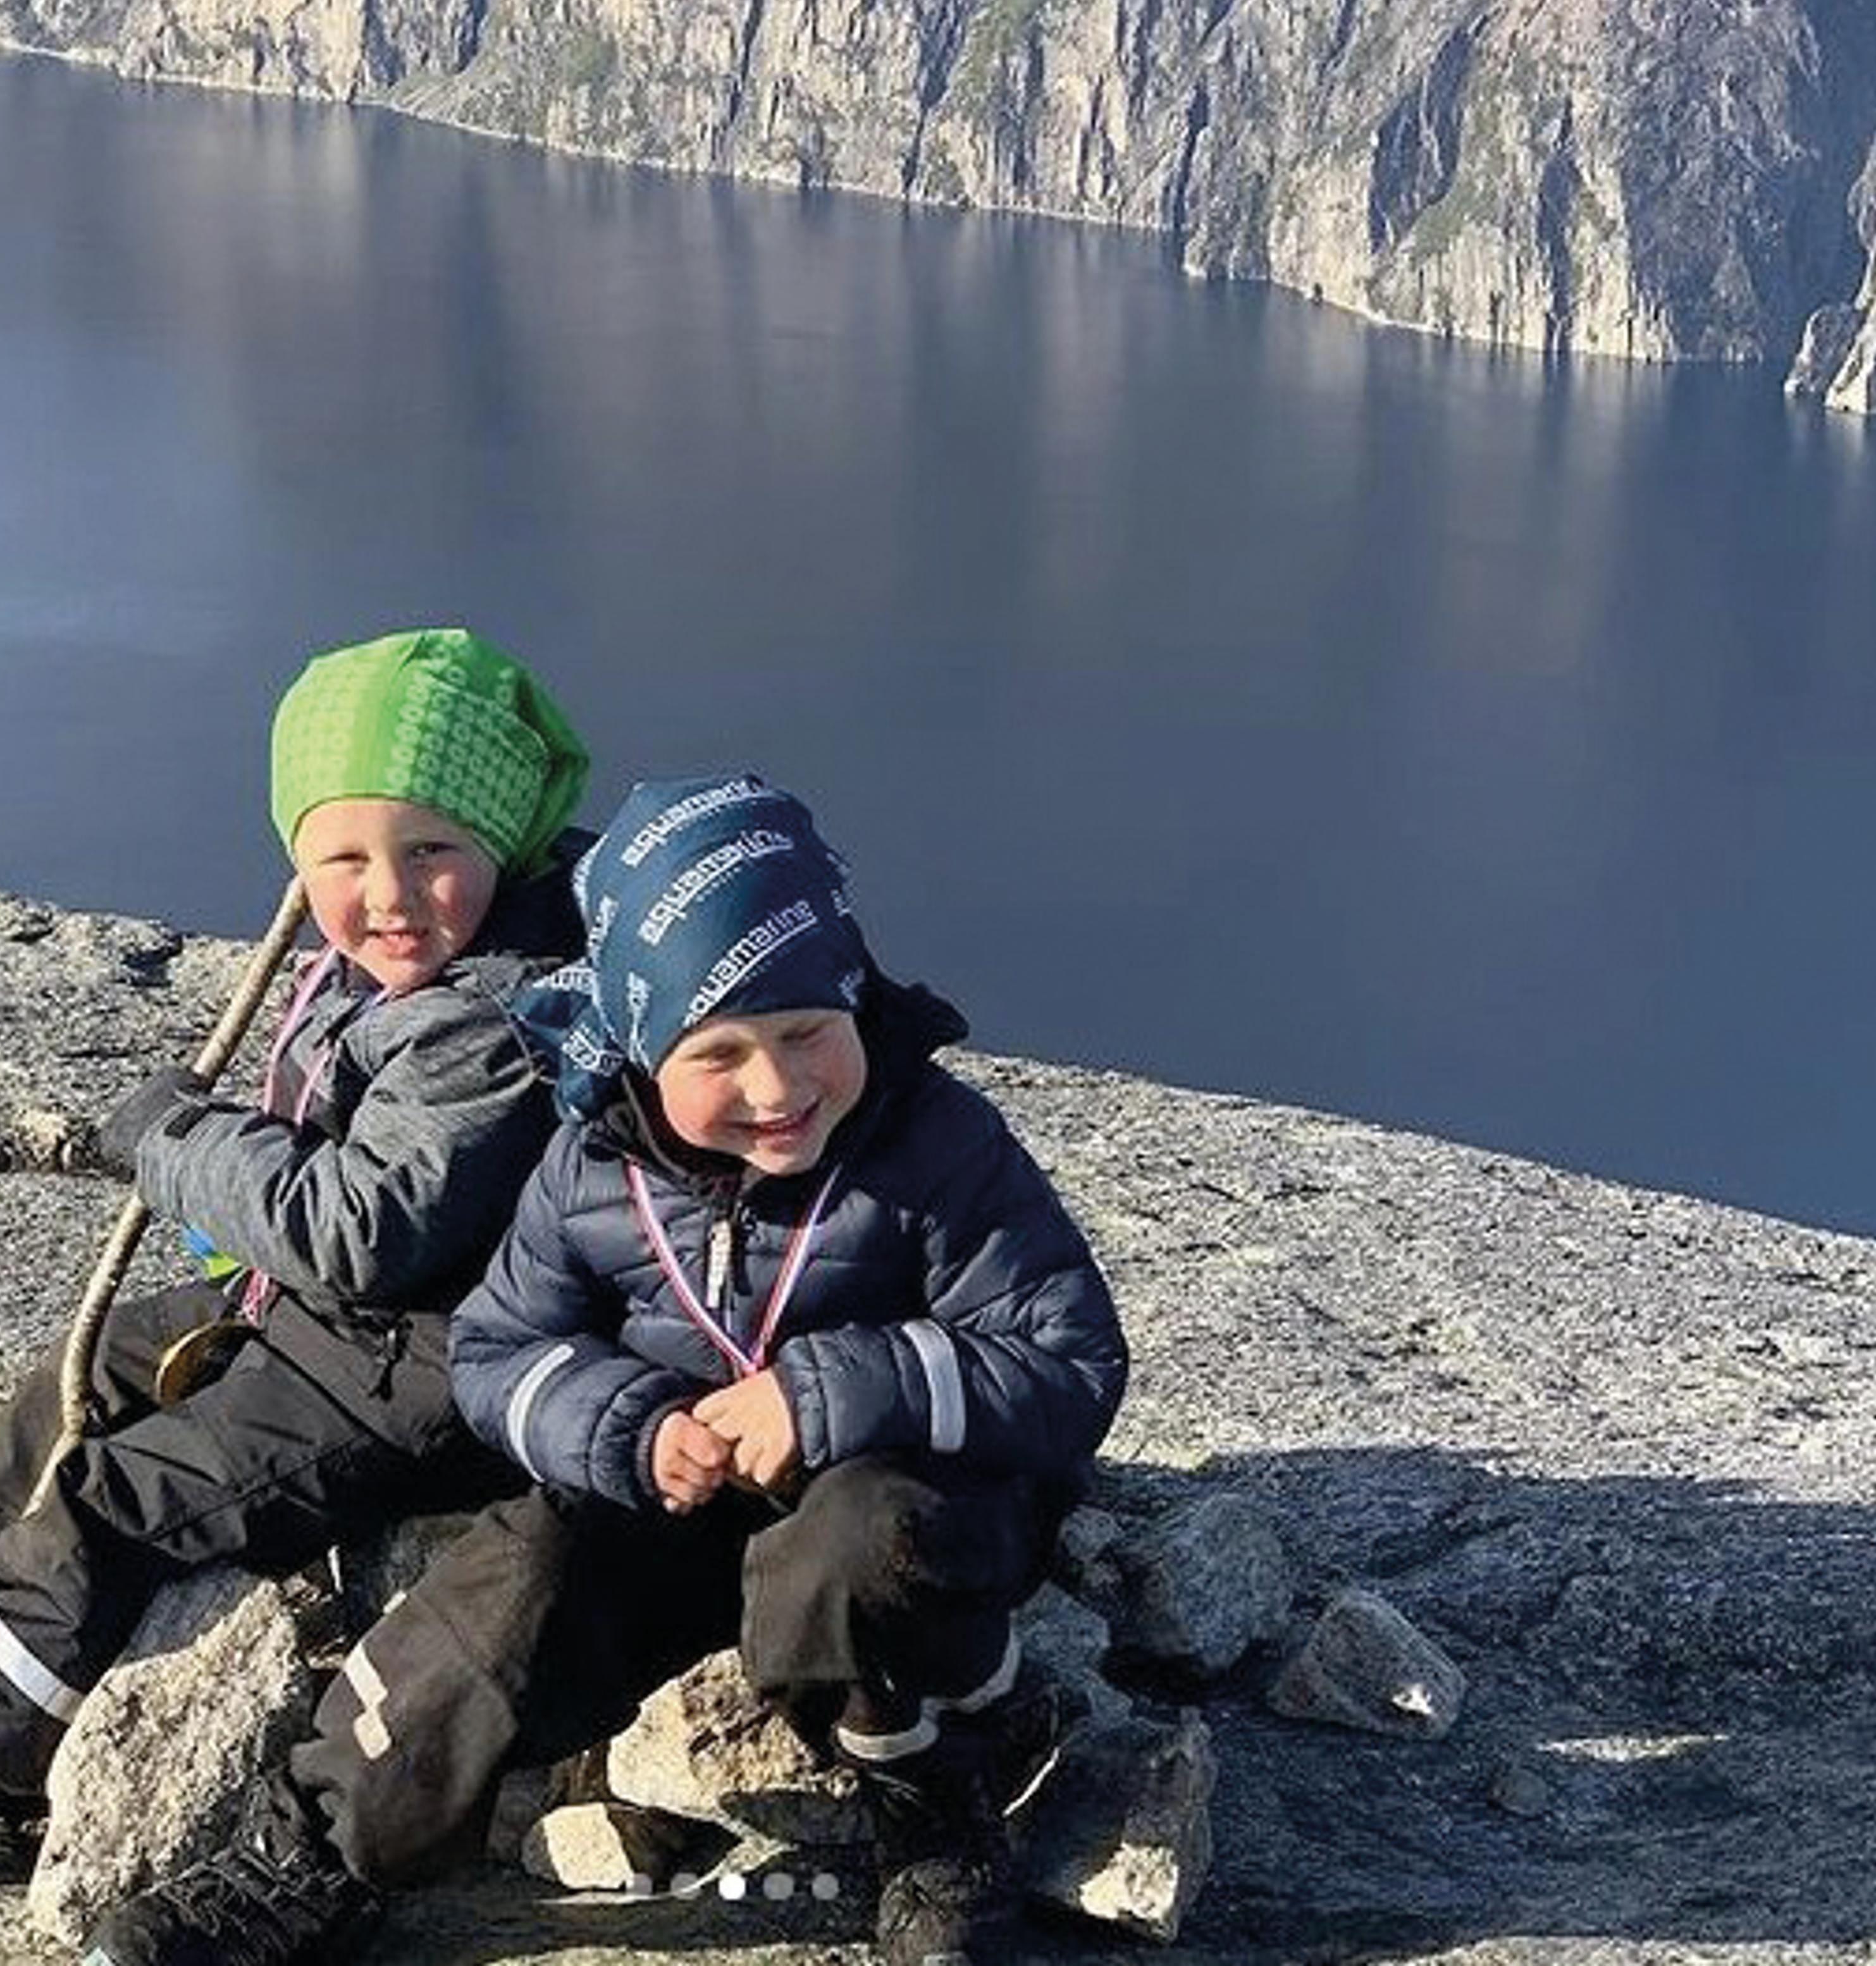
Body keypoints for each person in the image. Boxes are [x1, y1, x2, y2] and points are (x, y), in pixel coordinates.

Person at [85, 771, 1128, 1966]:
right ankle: (319, 1853)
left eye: (806, 1034)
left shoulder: (937, 1147)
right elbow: (498, 1348)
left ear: (852, 995)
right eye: (720, 1050)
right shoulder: (591, 1167)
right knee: (511, 1589)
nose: (779, 1087)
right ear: (639, 1039)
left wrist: (827, 1392)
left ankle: (942, 1798)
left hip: (903, 1490)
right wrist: (626, 1429)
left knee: (850, 1554)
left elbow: (1067, 1356)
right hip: (677, 1493)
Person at [0, 624, 591, 1889]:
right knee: (72, 1390)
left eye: (433, 850)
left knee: (126, 1495)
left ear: (504, 837)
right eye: (342, 856)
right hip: (343, 1319)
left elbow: (364, 1233)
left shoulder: (488, 1020)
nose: (386, 893)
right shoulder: (406, 967)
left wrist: (174, 1139)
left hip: (422, 1362)